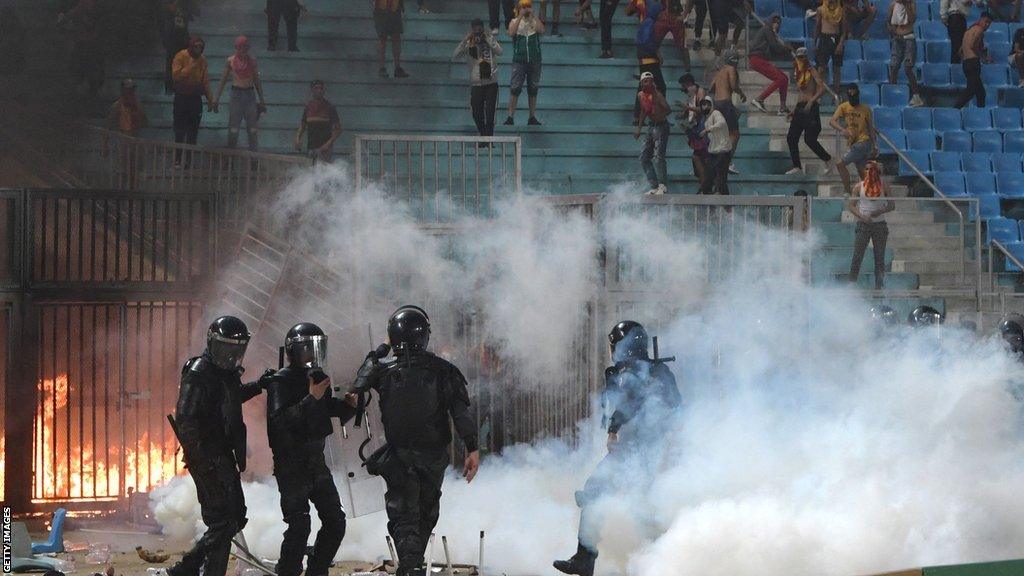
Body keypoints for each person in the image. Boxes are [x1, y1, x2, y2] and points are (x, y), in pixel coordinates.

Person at [352, 306, 480, 576]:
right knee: (424, 514)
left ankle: (410, 566)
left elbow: (359, 383)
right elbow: (461, 414)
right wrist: (473, 449)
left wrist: (381, 349)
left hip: (400, 454)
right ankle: (411, 567)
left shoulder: (383, 371)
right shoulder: (445, 370)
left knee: (404, 515)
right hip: (431, 456)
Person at [552, 321, 681, 576]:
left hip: (642, 449)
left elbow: (636, 401)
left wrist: (614, 428)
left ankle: (665, 562)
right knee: (599, 491)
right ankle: (585, 558)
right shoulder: (653, 371)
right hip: (639, 449)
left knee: (642, 507)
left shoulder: (643, 374)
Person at [167, 316, 271, 576]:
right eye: (226, 348)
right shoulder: (199, 372)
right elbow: (186, 420)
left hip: (222, 454)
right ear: (213, 344)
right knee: (222, 521)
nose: (231, 355)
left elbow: (230, 399)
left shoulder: (224, 374)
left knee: (236, 516)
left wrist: (259, 386)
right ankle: (197, 570)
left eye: (236, 349)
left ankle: (187, 568)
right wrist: (202, 460)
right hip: (207, 456)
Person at [266, 323, 358, 576]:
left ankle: (317, 570)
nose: (313, 356)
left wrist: (349, 406)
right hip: (291, 464)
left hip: (316, 462)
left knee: (335, 521)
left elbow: (327, 410)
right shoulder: (280, 381)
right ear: (295, 351)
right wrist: (311, 398)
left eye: (317, 349)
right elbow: (279, 422)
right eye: (309, 350)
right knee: (299, 525)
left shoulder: (317, 378)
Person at [629, 0, 688, 124]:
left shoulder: (647, 22)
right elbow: (647, 42)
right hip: (648, 58)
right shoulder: (651, 23)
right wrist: (658, 54)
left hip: (644, 58)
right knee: (660, 86)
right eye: (661, 12)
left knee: (643, 87)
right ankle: (660, 118)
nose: (663, 14)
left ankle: (637, 117)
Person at [212, 36, 267, 153]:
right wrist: (216, 99)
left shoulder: (252, 61)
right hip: (236, 94)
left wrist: (262, 100)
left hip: (249, 94)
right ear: (236, 48)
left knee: (252, 129)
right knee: (233, 129)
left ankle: (253, 159)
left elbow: (257, 80)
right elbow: (223, 80)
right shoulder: (230, 61)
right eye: (240, 48)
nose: (242, 50)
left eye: (244, 48)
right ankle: (230, 158)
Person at [847, 160, 895, 290]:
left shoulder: (884, 186)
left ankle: (879, 285)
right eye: (867, 169)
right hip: (863, 224)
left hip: (879, 224)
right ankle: (851, 284)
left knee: (879, 256)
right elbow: (851, 205)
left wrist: (880, 211)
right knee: (858, 255)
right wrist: (862, 216)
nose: (869, 172)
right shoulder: (859, 187)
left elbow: (892, 205)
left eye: (871, 169)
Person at [454, 19, 503, 141]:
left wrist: (488, 39)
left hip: (491, 83)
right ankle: (483, 136)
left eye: (479, 30)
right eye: (475, 30)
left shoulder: (489, 39)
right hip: (476, 84)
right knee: (476, 112)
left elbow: (500, 51)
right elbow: (455, 55)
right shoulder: (469, 42)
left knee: (490, 114)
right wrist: (466, 40)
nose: (477, 33)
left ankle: (489, 140)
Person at [786, 47, 832, 175]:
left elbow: (822, 88)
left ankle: (827, 159)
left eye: (802, 57)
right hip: (800, 107)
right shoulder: (798, 72)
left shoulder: (811, 70)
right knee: (791, 137)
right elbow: (801, 93)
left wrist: (812, 101)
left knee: (809, 139)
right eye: (798, 57)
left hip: (810, 106)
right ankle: (797, 166)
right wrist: (794, 110)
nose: (800, 60)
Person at [171, 36, 213, 168]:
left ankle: (188, 160)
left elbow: (205, 80)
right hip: (182, 97)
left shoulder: (203, 60)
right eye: (196, 47)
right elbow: (176, 76)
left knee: (192, 132)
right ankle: (177, 159)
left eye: (201, 47)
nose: (198, 50)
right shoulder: (180, 56)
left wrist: (210, 99)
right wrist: (189, 66)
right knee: (179, 130)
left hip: (195, 98)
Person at [829, 84, 877, 196]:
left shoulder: (865, 109)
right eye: (850, 96)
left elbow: (870, 128)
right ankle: (871, 191)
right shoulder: (844, 107)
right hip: (853, 142)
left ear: (858, 95)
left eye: (855, 96)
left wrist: (875, 145)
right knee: (861, 169)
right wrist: (842, 130)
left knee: (840, 163)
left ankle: (847, 191)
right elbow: (832, 121)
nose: (853, 99)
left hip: (863, 141)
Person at [505, 0, 545, 126]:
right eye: (524, 6)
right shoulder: (514, 22)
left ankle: (532, 116)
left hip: (534, 60)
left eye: (528, 6)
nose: (526, 9)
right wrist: (520, 16)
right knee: (515, 88)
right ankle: (510, 116)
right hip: (519, 60)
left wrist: (533, 15)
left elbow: (542, 30)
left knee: (533, 88)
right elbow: (511, 32)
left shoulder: (534, 22)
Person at [58, 0, 105, 98]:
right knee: (79, 68)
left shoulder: (92, 10)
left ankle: (90, 87)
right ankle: (82, 87)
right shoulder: (78, 10)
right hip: (82, 43)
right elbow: (63, 21)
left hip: (90, 44)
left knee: (90, 68)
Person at [709, 49, 746, 174]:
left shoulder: (719, 72)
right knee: (735, 134)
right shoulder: (731, 69)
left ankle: (716, 160)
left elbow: (711, 88)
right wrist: (742, 94)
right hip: (725, 103)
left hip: (717, 104)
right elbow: (734, 86)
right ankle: (728, 162)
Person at [748, 14, 793, 115]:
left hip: (761, 59)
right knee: (779, 78)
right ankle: (759, 99)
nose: (776, 24)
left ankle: (782, 107)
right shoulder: (767, 29)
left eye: (778, 23)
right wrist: (787, 48)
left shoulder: (772, 33)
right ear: (770, 21)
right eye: (774, 22)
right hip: (756, 58)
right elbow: (775, 47)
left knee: (784, 78)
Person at [635, 71, 672, 195]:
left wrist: (659, 114)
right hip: (651, 126)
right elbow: (643, 110)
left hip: (661, 126)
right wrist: (639, 128)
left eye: (650, 80)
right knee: (644, 157)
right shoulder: (640, 95)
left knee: (658, 157)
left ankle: (663, 185)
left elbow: (668, 109)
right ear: (641, 83)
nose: (648, 83)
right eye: (645, 81)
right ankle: (654, 185)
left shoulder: (657, 94)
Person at [294, 79, 342, 163]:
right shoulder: (308, 106)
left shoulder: (329, 107)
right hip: (310, 147)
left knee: (323, 173)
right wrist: (297, 138)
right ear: (312, 90)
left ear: (324, 90)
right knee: (311, 172)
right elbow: (303, 125)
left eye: (321, 88)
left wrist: (328, 144)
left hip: (324, 150)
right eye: (316, 88)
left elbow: (338, 130)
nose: (319, 91)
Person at [888, 0, 925, 107]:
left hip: (909, 38)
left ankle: (916, 96)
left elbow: (912, 19)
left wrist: (906, 5)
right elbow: (888, 21)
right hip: (897, 38)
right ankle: (892, 93)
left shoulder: (911, 4)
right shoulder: (893, 5)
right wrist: (893, 31)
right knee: (893, 66)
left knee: (908, 68)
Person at [955, 12, 993, 108]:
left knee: (980, 93)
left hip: (966, 63)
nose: (987, 25)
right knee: (970, 91)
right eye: (986, 22)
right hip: (973, 63)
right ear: (981, 20)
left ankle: (981, 113)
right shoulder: (979, 30)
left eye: (989, 23)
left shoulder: (968, 31)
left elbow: (960, 51)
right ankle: (954, 109)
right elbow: (973, 45)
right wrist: (983, 56)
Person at [677, 74, 709, 186]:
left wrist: (688, 108)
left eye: (683, 86)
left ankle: (705, 187)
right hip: (695, 129)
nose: (682, 90)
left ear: (688, 84)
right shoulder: (691, 95)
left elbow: (704, 109)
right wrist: (682, 114)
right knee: (697, 159)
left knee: (699, 158)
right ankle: (704, 185)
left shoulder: (700, 92)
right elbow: (690, 111)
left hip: (704, 129)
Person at [814, 0, 849, 100]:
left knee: (836, 68)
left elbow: (844, 30)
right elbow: (817, 27)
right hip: (824, 39)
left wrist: (841, 44)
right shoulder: (820, 10)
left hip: (836, 39)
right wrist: (815, 42)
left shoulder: (841, 10)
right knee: (821, 68)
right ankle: (818, 95)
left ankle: (836, 94)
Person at [699, 96, 732, 195]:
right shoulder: (706, 121)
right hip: (713, 152)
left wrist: (708, 130)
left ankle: (727, 206)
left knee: (720, 179)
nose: (704, 107)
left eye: (707, 104)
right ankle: (709, 204)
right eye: (703, 105)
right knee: (707, 180)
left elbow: (721, 123)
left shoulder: (716, 113)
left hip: (723, 151)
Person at [161, 1, 191, 94]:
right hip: (172, 44)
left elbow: (181, 29)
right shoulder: (167, 15)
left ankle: (177, 86)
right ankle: (171, 87)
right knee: (171, 66)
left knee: (177, 65)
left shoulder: (179, 14)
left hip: (178, 44)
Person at [375, 0, 409, 78]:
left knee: (396, 37)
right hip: (381, 7)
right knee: (382, 38)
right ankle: (381, 67)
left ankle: (397, 67)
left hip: (395, 7)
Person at [1012, 22, 1024, 86]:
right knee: (1020, 56)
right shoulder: (1019, 32)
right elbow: (1016, 49)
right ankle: (1022, 80)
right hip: (1013, 57)